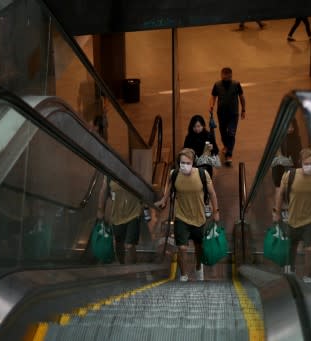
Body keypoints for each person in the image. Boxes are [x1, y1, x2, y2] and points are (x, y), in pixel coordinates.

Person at [154, 148, 220, 282]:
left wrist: (216, 212)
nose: (184, 165)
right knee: (182, 248)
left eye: (188, 162)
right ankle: (184, 275)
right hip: (181, 217)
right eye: (182, 162)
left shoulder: (203, 174)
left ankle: (198, 267)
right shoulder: (174, 173)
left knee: (198, 246)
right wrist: (163, 200)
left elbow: (212, 193)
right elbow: (171, 187)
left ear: (193, 163)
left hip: (199, 218)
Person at [273, 147, 311, 283]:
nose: (310, 167)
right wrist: (277, 213)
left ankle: (307, 275)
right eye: (307, 164)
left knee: (310, 250)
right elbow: (280, 194)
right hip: (293, 219)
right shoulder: (290, 175)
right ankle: (290, 268)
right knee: (292, 247)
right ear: (301, 163)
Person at [96, 177, 142, 264]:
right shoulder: (109, 174)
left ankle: (131, 268)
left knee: (129, 245)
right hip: (117, 215)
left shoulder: (133, 170)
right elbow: (103, 191)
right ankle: (122, 265)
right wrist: (100, 210)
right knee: (119, 243)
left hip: (134, 213)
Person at [209, 67, 245, 166]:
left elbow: (241, 97)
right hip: (221, 114)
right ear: (221, 75)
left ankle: (229, 154)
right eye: (224, 77)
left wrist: (243, 110)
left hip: (233, 114)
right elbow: (213, 96)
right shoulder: (217, 85)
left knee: (231, 133)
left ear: (231, 76)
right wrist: (211, 105)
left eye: (228, 77)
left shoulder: (236, 84)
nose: (225, 79)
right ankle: (226, 146)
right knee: (223, 132)